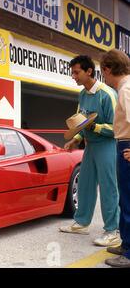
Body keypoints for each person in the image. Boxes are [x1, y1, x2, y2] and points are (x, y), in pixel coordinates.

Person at [60, 55, 120, 247]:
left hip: (107, 146)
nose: (73, 76)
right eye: (72, 72)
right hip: (90, 146)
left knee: (108, 188)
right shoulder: (82, 95)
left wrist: (94, 128)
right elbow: (81, 122)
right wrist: (76, 139)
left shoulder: (107, 94)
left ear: (88, 72)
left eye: (76, 72)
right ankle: (82, 222)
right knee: (85, 184)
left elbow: (117, 129)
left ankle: (113, 230)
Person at [99, 49, 130, 268]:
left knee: (128, 200)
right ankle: (126, 244)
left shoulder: (125, 89)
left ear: (108, 69)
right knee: (124, 199)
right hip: (125, 143)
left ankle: (128, 253)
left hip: (127, 145)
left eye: (103, 72)